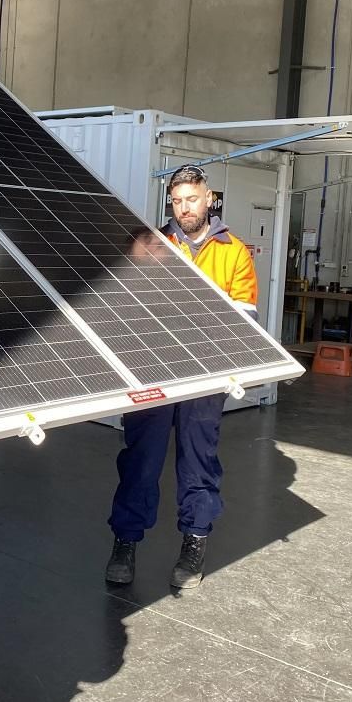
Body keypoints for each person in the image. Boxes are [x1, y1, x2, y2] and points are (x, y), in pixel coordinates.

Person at [105, 164, 258, 589]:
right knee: (139, 461)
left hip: (205, 376)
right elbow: (127, 304)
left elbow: (245, 317)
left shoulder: (234, 252)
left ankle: (194, 543)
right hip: (154, 369)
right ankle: (125, 541)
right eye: (177, 201)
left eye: (192, 199)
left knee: (198, 461)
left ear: (209, 198)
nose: (184, 208)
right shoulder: (151, 244)